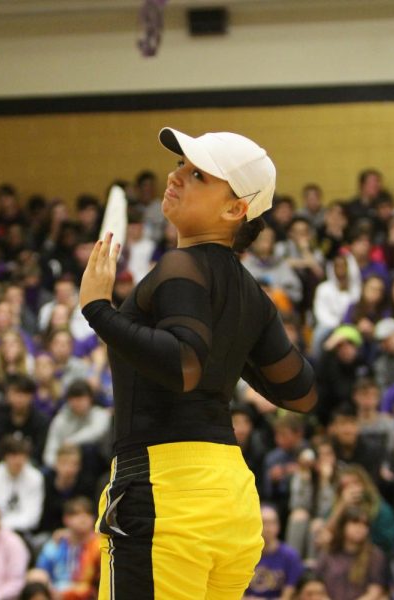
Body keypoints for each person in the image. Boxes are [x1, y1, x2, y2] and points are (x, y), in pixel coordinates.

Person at [79, 127, 317, 599]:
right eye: (181, 166)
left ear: (235, 209)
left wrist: (98, 310)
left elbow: (185, 364)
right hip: (232, 498)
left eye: (198, 174)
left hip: (167, 490)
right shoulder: (251, 292)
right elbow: (301, 392)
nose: (176, 176)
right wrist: (235, 347)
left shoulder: (179, 266)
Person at [35, 497, 100, 600]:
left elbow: (98, 583)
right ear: (66, 519)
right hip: (55, 593)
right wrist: (49, 589)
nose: (83, 518)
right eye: (76, 514)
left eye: (88, 514)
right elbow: (40, 571)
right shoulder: (56, 543)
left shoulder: (99, 545)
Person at [244, 504, 303, 599]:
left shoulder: (291, 556)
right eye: (263, 522)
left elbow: (287, 595)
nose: (267, 528)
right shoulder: (244, 555)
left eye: (272, 523)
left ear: (278, 526)